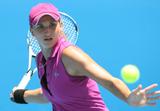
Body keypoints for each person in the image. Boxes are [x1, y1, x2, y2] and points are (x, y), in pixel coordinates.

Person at [10, 3, 160, 111]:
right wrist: (20, 96)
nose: (47, 31)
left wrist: (128, 98)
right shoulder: (41, 60)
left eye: (52, 24)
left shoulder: (69, 55)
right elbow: (51, 95)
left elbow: (109, 81)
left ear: (60, 25)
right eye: (40, 26)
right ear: (32, 31)